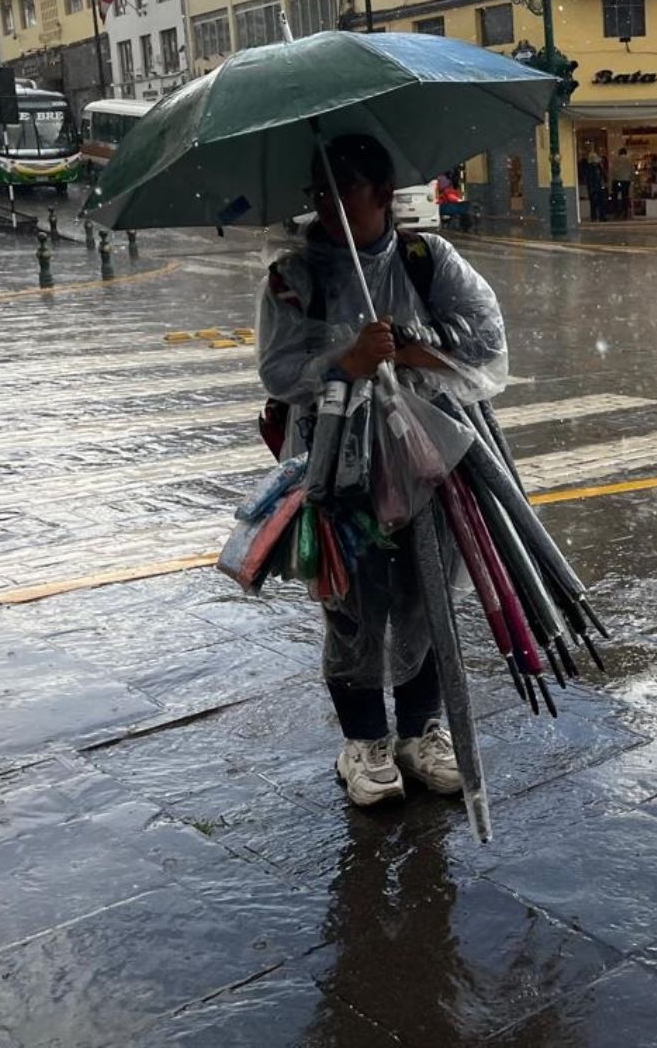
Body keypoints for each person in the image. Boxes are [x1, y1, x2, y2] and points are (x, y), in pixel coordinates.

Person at [258, 134, 508, 809]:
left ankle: (422, 732)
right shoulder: (294, 276)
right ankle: (364, 740)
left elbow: (486, 343)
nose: (332, 209)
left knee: (425, 591)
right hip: (337, 466)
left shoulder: (429, 260)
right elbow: (280, 371)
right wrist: (347, 360)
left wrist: (416, 349)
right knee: (352, 604)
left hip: (425, 456)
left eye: (347, 193)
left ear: (381, 195)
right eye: (321, 195)